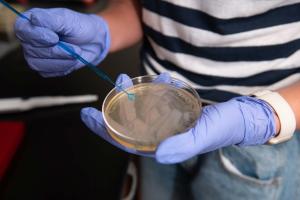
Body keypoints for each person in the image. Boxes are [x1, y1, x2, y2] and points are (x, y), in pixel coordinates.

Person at [14, 1, 300, 199]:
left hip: (255, 147)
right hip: (151, 121)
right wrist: (106, 29)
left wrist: (264, 116)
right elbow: (149, 8)